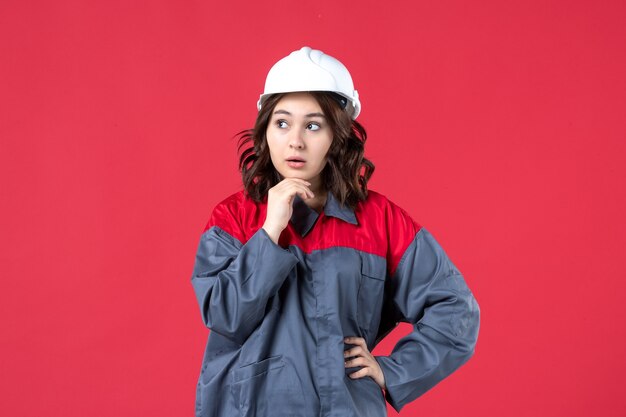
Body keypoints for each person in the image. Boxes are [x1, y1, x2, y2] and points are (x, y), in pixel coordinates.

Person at [191, 46, 480, 417]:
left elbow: (456, 309)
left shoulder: (380, 220)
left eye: (313, 125)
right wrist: (269, 231)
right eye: (282, 123)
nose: (295, 140)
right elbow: (224, 315)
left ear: (337, 135)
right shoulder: (232, 218)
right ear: (266, 130)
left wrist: (391, 371)